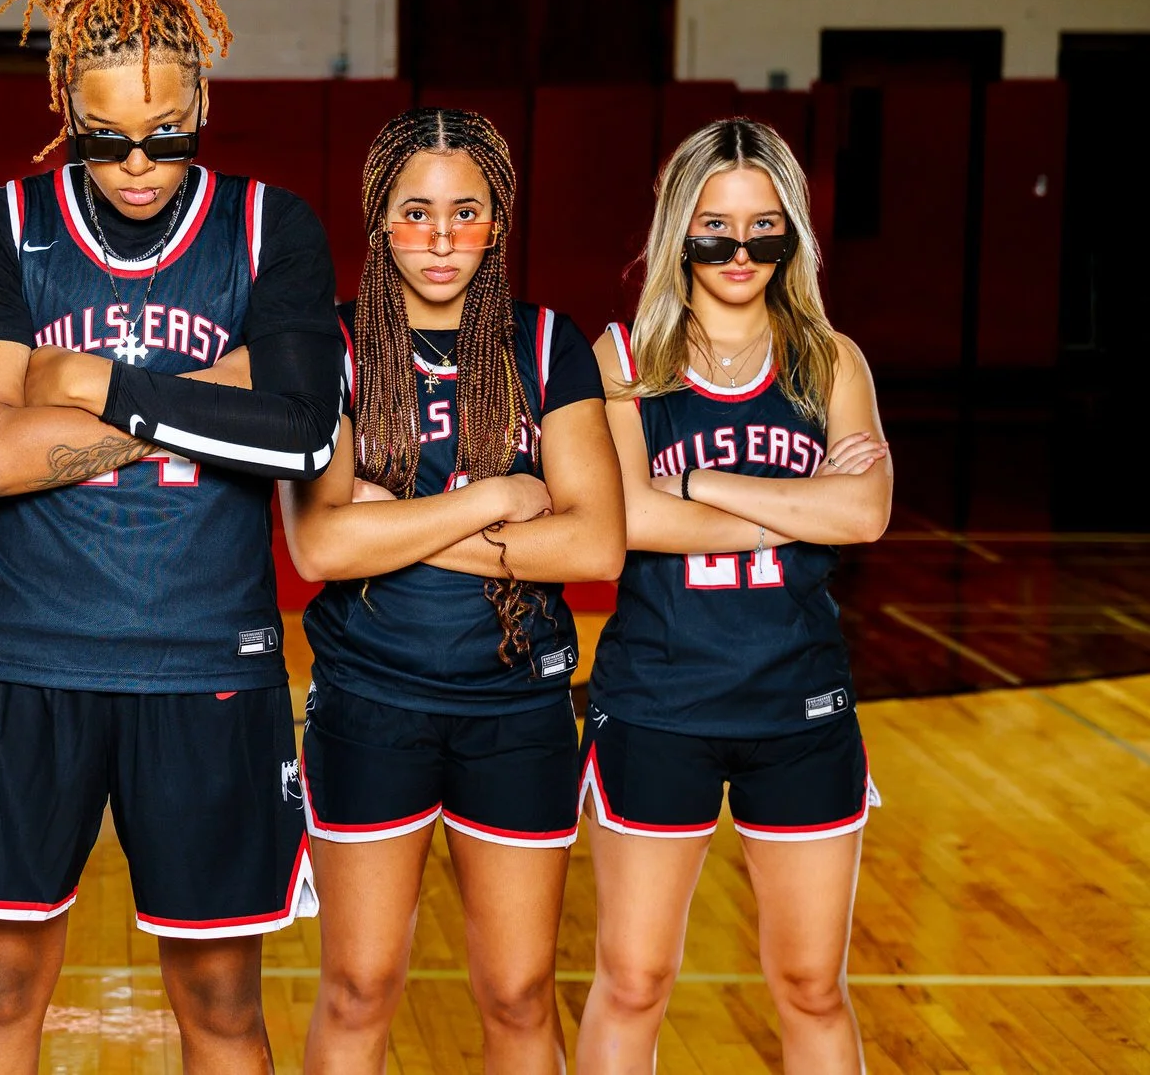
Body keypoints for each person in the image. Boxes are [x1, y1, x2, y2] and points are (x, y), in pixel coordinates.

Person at [0, 0, 344, 1072]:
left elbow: (302, 436)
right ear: (64, 118)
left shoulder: (269, 230)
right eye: (108, 142)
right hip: (23, 653)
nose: (141, 165)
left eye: (167, 135)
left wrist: (102, 385)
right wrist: (214, 394)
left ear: (201, 108)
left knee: (219, 1003)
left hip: (207, 657)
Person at [280, 108, 622, 1073]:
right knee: (357, 990)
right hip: (369, 705)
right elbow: (318, 545)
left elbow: (595, 544)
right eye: (415, 211)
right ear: (378, 219)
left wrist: (400, 525)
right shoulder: (333, 350)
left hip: (517, 708)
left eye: (465, 212)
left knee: (518, 995)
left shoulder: (548, 345)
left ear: (498, 220)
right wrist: (508, 500)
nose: (440, 238)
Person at [578, 118, 892, 1073]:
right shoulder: (623, 358)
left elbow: (868, 510)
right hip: (656, 703)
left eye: (765, 227)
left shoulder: (829, 360)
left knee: (811, 986)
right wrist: (801, 509)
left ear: (792, 234)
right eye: (717, 225)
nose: (741, 249)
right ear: (680, 228)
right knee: (633, 981)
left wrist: (702, 485)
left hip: (799, 705)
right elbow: (623, 520)